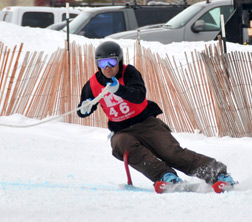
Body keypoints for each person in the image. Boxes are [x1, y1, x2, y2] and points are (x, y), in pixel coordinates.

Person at [76, 41, 234, 192]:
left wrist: (120, 89)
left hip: (146, 123)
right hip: (122, 131)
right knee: (121, 144)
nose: (108, 67)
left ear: (119, 60)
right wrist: (84, 109)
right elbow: (82, 109)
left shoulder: (129, 73)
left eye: (111, 62)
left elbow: (139, 96)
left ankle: (219, 174)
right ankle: (165, 176)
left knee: (170, 153)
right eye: (103, 63)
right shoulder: (93, 84)